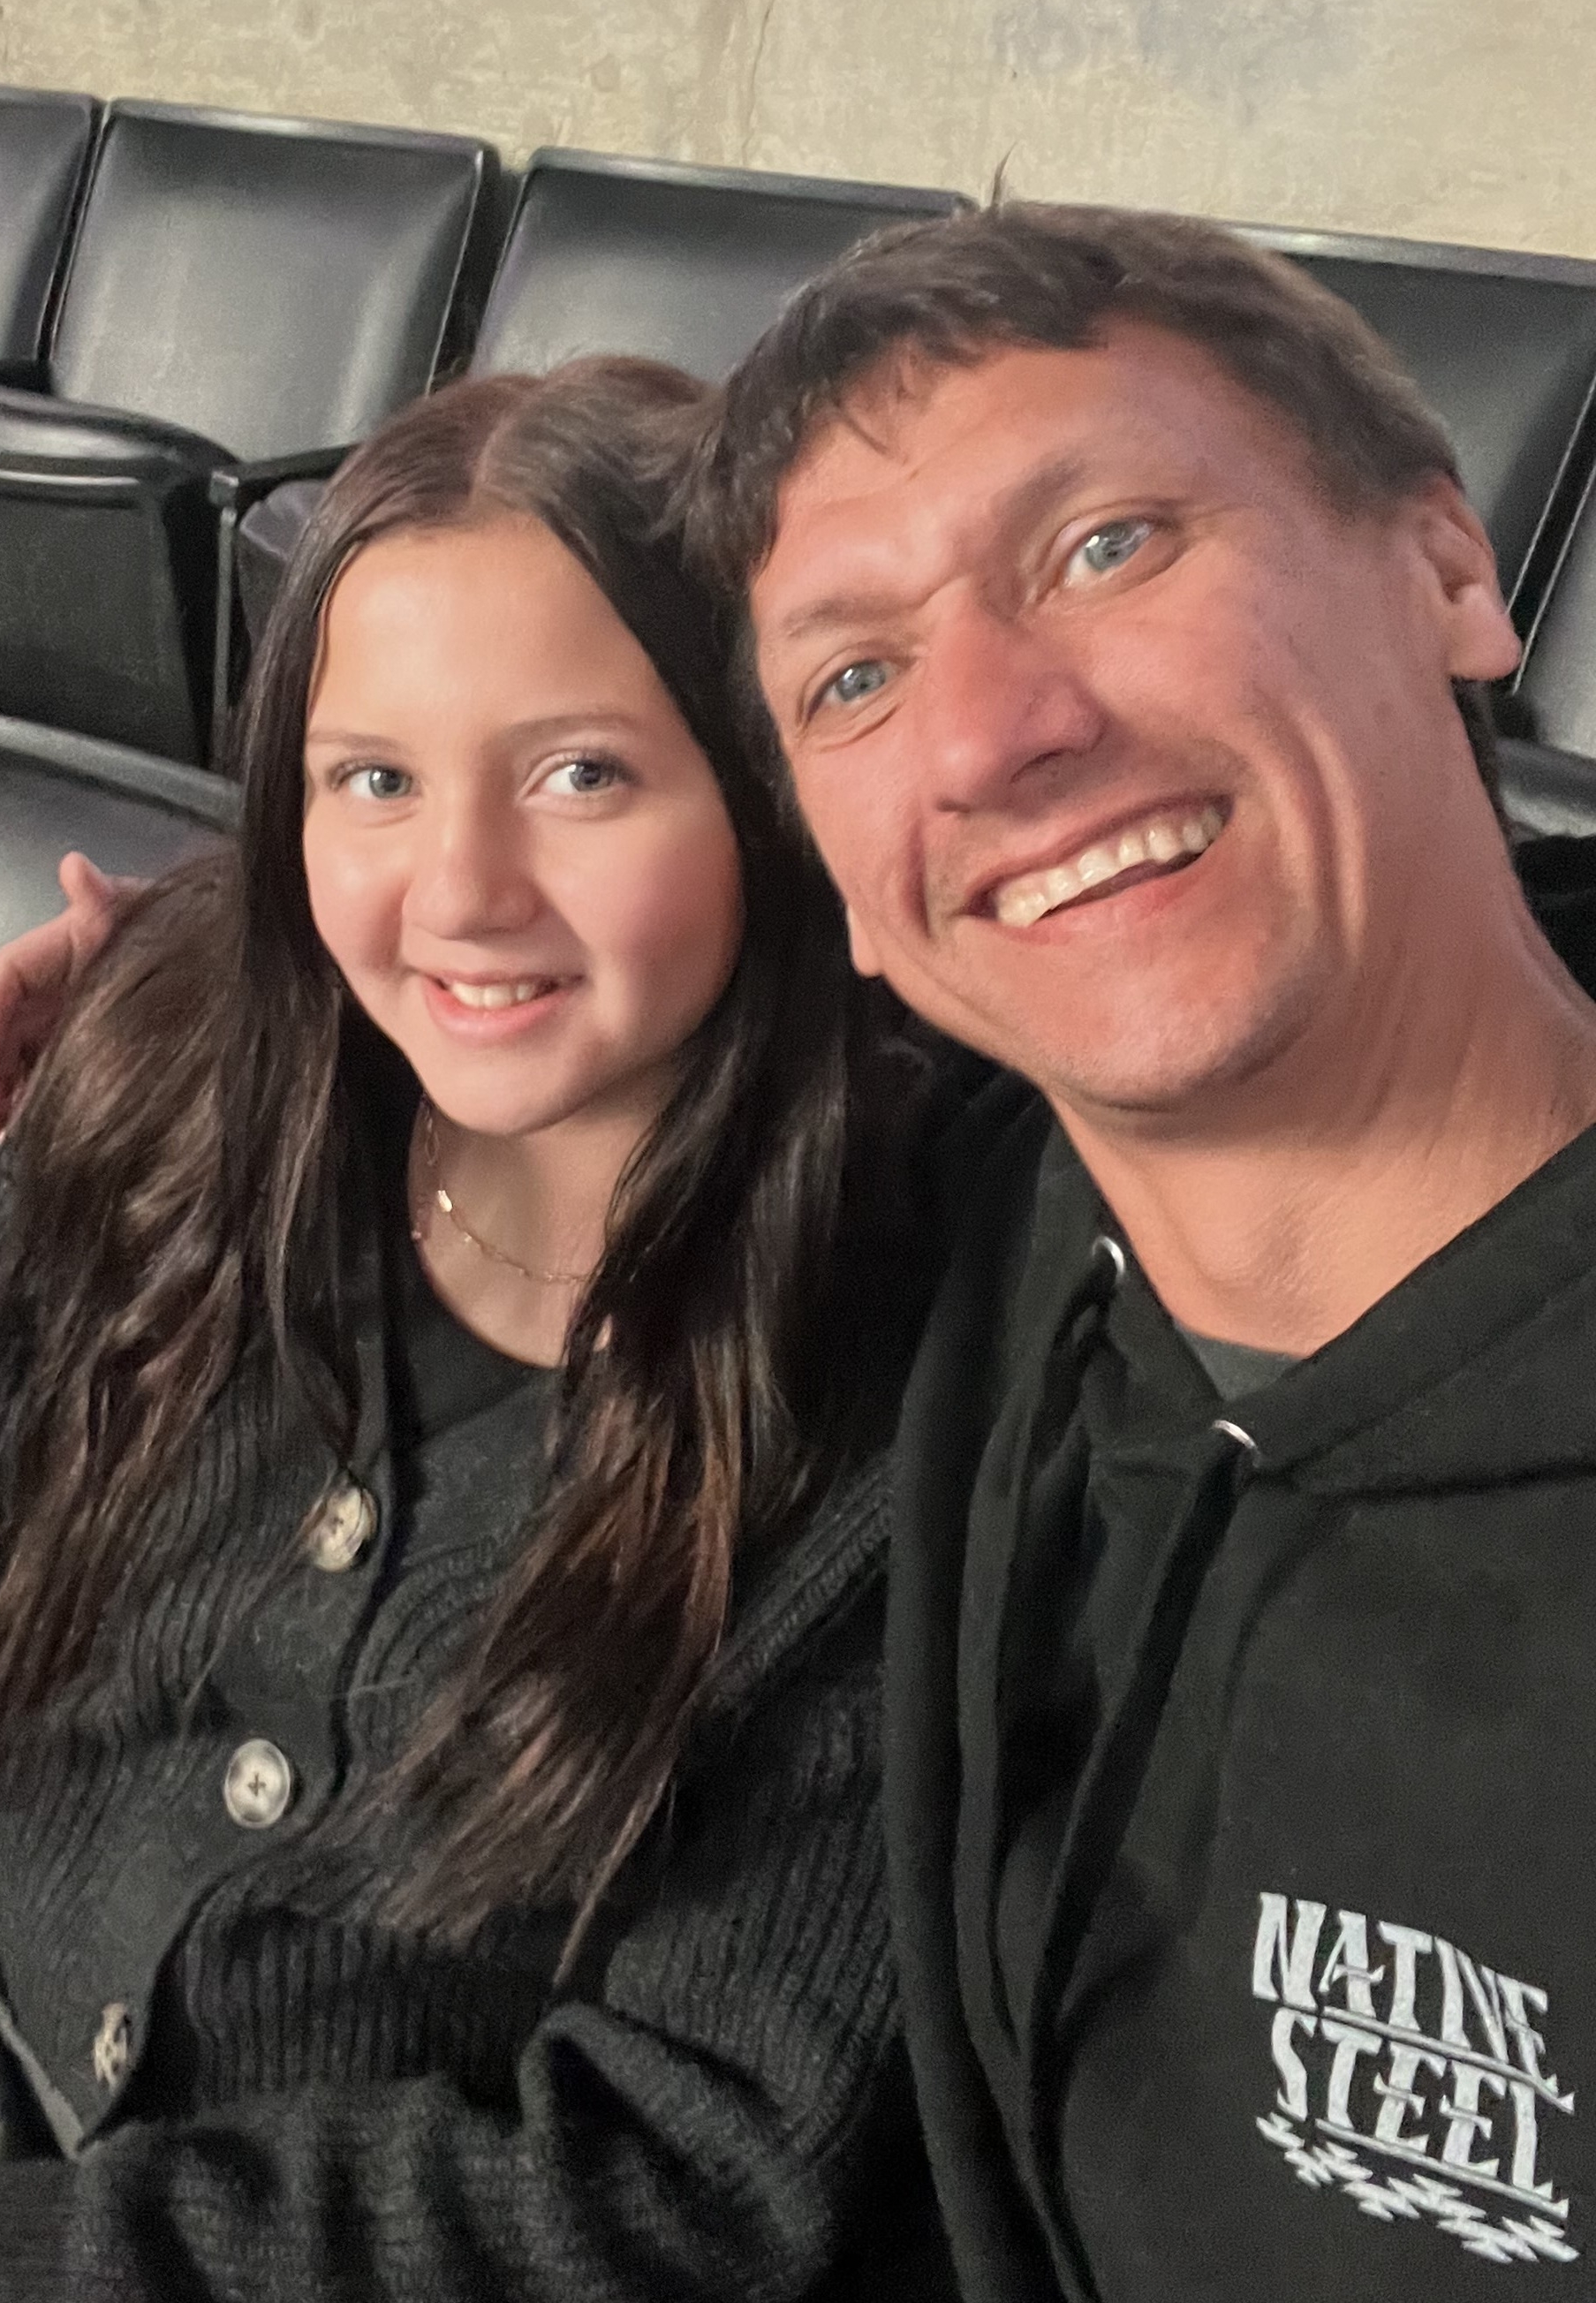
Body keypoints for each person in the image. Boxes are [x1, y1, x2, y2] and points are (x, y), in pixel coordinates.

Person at [0, 359, 945, 2303]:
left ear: (771, 790)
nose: (458, 891)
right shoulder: (181, 1074)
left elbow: (672, 2179)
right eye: (374, 780)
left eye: (581, 775)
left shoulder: (902, 1402)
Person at [688, 202, 1596, 2299]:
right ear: (841, 885)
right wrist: (211, 998)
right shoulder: (977, 1217)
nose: (990, 735)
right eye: (855, 676)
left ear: (1451, 572)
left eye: (1108, 546)